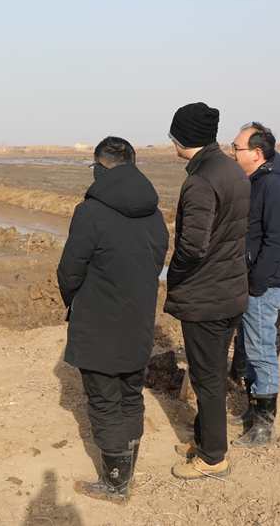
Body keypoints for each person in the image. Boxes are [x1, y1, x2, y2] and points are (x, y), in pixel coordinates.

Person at [58, 137, 168, 501]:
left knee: (104, 400)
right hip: (138, 322)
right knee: (130, 395)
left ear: (100, 168)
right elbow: (155, 263)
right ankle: (126, 472)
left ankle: (116, 484)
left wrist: (78, 303)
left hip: (99, 324)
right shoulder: (154, 212)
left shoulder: (90, 211)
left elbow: (70, 271)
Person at [164, 103, 250, 480]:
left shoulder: (201, 180)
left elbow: (192, 248)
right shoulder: (230, 169)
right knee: (210, 372)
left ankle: (213, 458)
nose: (171, 142)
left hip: (207, 297)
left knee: (207, 379)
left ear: (185, 138)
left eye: (173, 135)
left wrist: (175, 276)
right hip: (229, 289)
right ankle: (203, 439)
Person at [227, 122, 280, 448]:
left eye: (237, 147)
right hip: (249, 283)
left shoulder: (276, 185)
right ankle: (253, 412)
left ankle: (265, 428)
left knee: (261, 352)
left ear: (256, 153)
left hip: (262, 286)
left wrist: (256, 283)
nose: (232, 152)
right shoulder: (256, 181)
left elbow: (278, 241)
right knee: (249, 349)